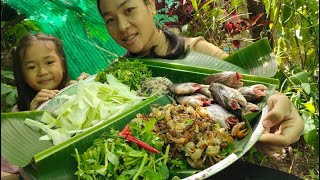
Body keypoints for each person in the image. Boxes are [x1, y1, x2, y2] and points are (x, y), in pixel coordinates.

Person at [96, 0, 304, 179]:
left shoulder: (196, 51)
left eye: (129, 10)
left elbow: (244, 84)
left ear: (151, 6)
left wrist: (279, 106)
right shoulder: (115, 74)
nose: (122, 26)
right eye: (110, 19)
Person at [11, 32, 89, 111]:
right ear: (23, 75)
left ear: (62, 64)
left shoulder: (77, 90)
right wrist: (34, 115)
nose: (42, 72)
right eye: (32, 67)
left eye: (49, 62)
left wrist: (93, 87)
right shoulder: (18, 112)